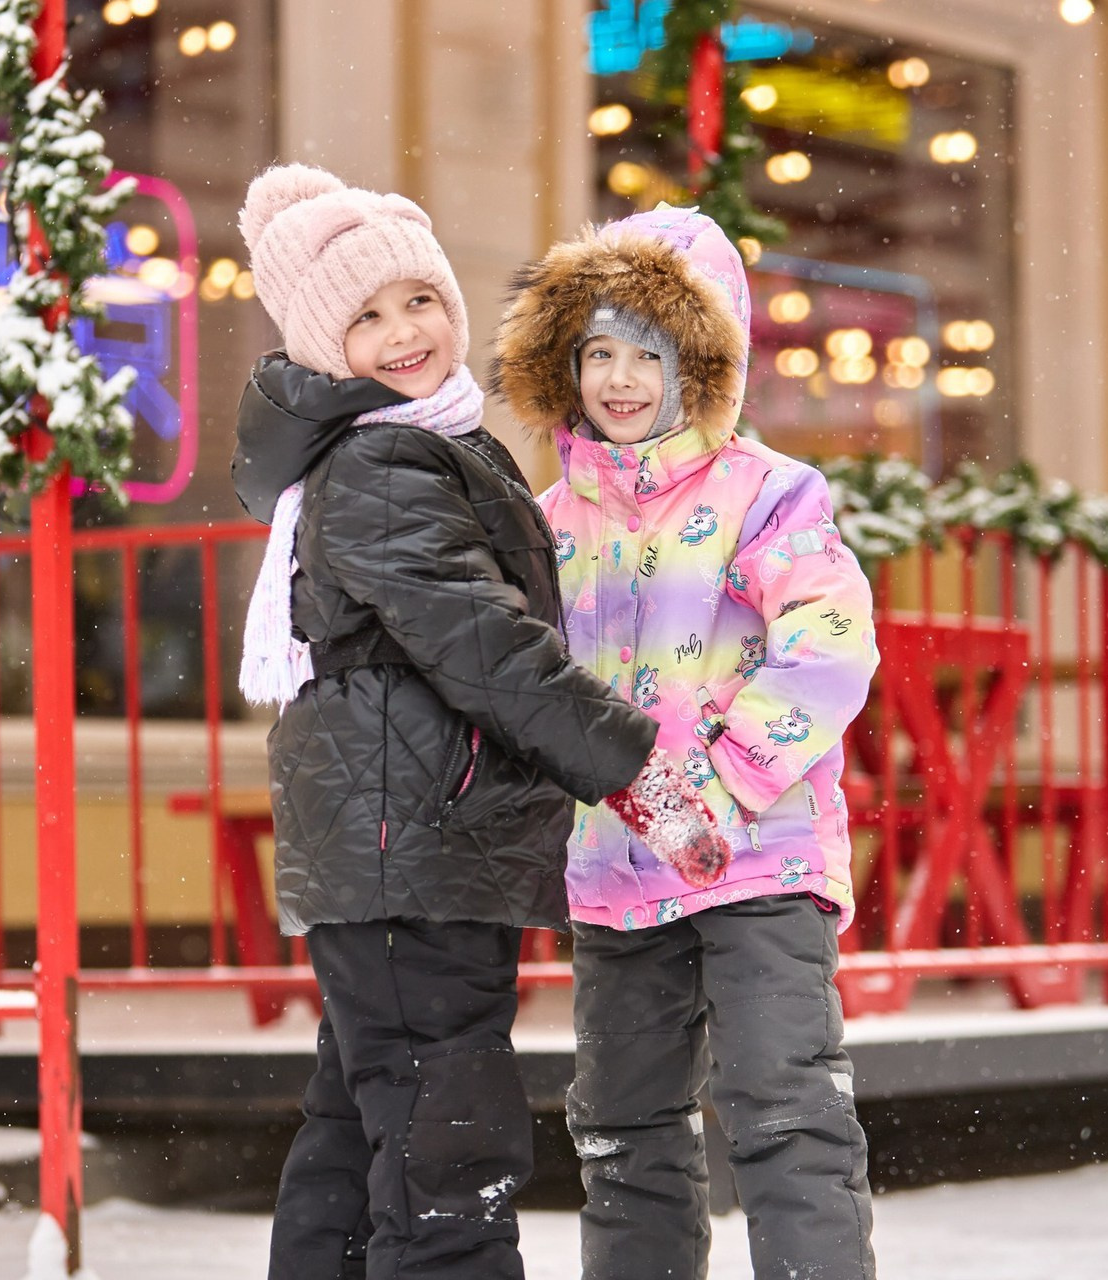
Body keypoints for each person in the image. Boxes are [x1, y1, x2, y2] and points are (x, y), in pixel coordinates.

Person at [232, 165, 726, 1280]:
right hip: (412, 847)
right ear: (322, 344)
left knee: (368, 1128)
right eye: (363, 316)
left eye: (417, 299)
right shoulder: (383, 459)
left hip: (398, 846)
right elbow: (484, 642)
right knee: (448, 1146)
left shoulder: (409, 442)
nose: (403, 331)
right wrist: (629, 769)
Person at [490, 203, 881, 1280]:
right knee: (623, 1129)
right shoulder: (545, 522)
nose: (618, 378)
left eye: (647, 353)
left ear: (697, 365)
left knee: (784, 1102)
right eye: (596, 352)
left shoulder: (767, 494)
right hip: (614, 873)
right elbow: (523, 689)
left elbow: (826, 645)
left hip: (756, 855)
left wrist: (719, 784)